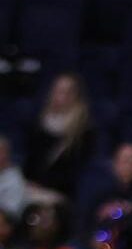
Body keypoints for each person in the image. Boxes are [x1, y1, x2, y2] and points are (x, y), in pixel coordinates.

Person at [24, 73, 94, 202]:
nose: (63, 96)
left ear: (76, 96)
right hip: (32, 187)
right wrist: (31, 181)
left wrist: (48, 185)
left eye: (68, 91)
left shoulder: (84, 130)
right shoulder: (40, 123)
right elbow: (31, 158)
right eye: (59, 90)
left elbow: (77, 168)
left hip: (61, 192)